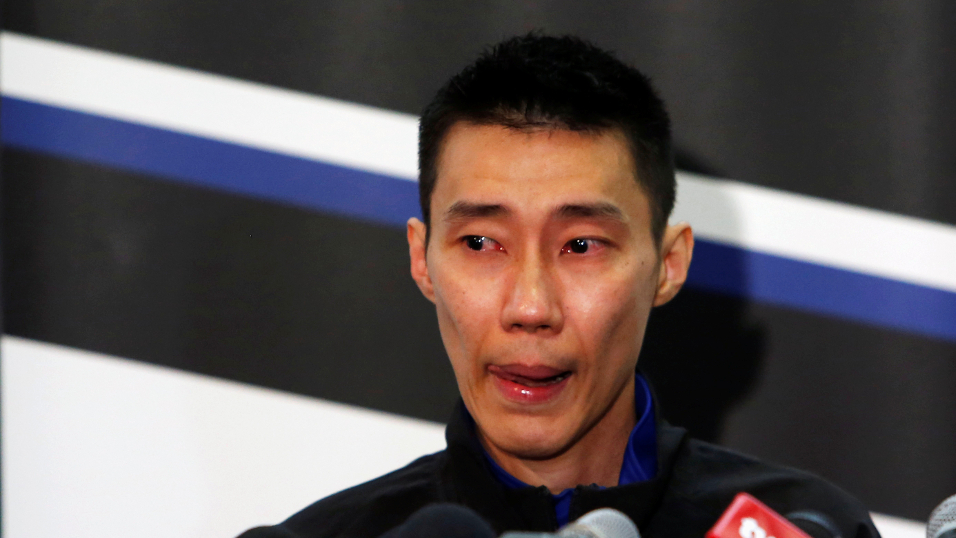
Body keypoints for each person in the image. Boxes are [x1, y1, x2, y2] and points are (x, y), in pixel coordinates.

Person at [238, 34, 878, 538]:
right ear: (422, 258)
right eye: (483, 244)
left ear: (668, 265)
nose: (530, 308)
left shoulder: (807, 527)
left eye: (580, 246)